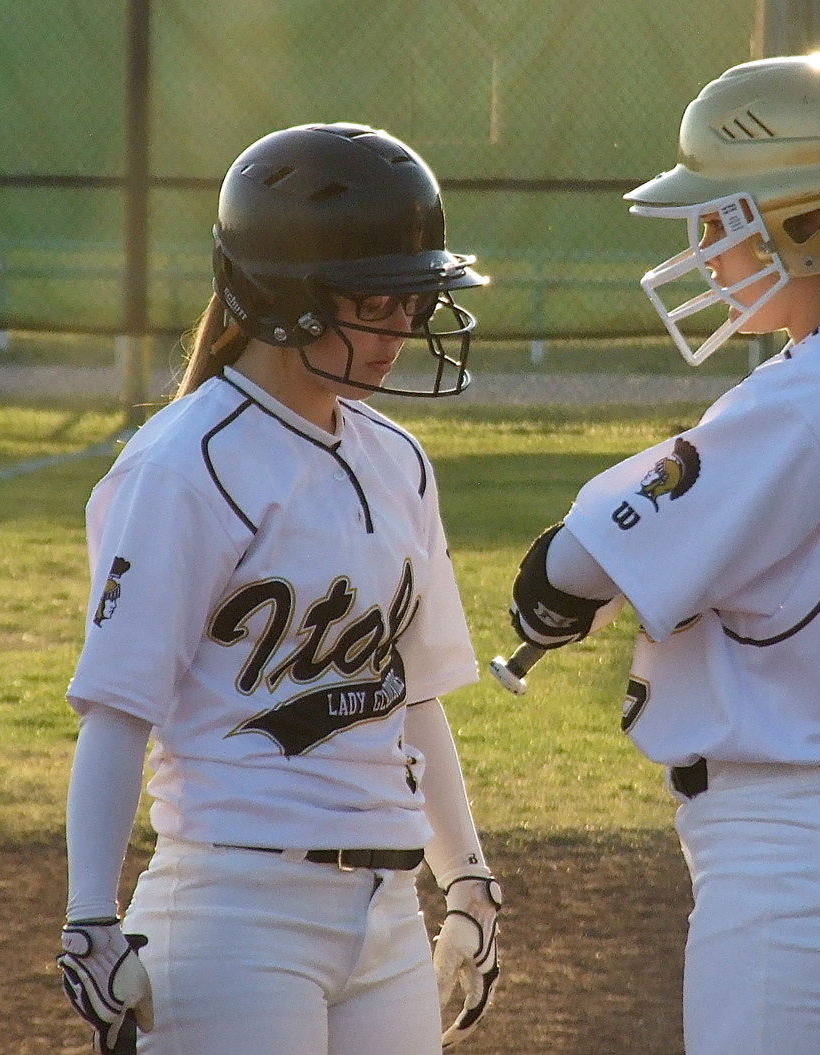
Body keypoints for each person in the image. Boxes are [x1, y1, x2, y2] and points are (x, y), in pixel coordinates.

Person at [505, 56, 820, 1055]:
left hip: (801, 862)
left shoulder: (817, 389)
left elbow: (575, 559)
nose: (709, 245)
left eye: (727, 215)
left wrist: (551, 594)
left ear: (810, 219)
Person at [56, 122, 501, 1055]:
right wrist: (90, 915)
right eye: (376, 300)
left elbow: (411, 695)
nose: (402, 330)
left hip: (385, 911)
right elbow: (116, 709)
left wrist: (465, 876)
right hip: (233, 910)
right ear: (283, 298)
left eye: (411, 301)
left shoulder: (400, 461)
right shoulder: (187, 464)